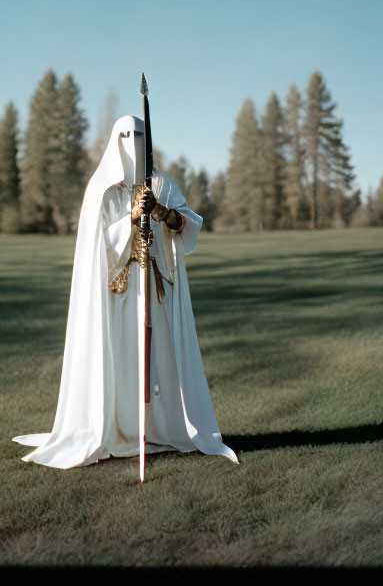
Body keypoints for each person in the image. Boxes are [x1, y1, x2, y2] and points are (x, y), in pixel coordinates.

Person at [13, 114, 238, 469]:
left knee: (158, 360)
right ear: (115, 140)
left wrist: (161, 211)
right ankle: (117, 430)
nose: (133, 142)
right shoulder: (101, 188)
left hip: (155, 292)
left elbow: (188, 225)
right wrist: (132, 218)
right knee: (120, 361)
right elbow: (95, 247)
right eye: (125, 135)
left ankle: (158, 428)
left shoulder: (161, 182)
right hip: (116, 298)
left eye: (139, 135)